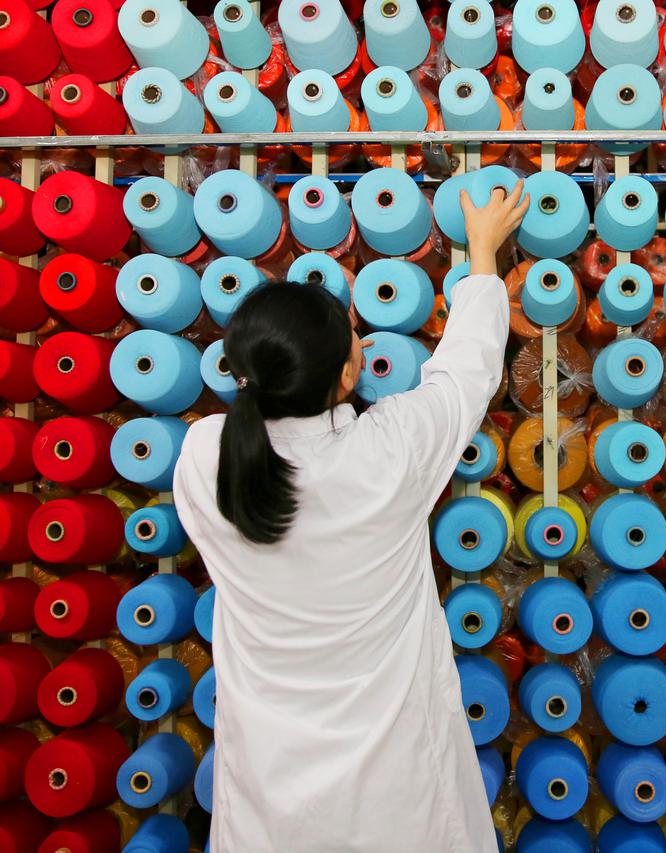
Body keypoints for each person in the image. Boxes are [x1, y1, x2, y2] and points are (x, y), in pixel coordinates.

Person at [173, 182, 530, 852]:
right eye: (354, 339)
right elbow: (465, 374)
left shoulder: (204, 457)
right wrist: (482, 251)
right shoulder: (388, 452)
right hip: (398, 783)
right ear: (346, 374)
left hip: (271, 786)